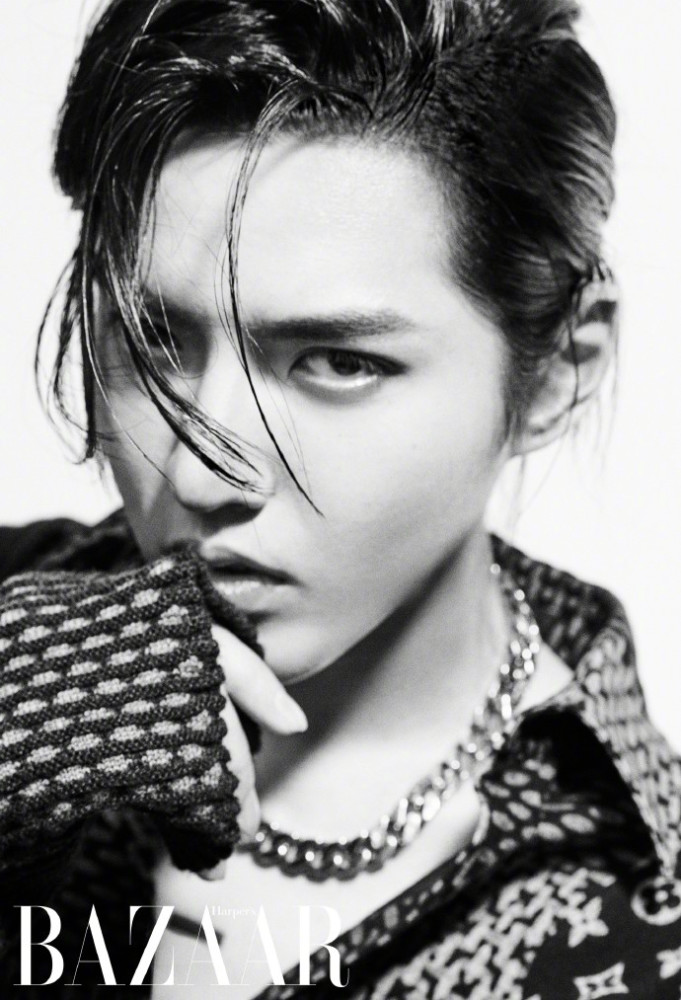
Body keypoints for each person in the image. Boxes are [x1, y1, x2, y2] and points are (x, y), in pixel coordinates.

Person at [0, 0, 680, 996]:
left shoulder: (640, 930)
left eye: (337, 362)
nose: (199, 474)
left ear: (555, 375)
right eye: (154, 345)